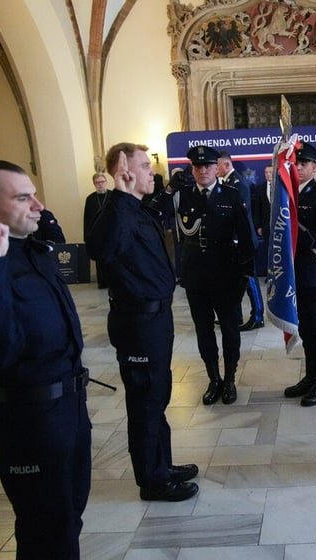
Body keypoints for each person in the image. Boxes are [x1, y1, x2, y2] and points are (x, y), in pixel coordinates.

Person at [0, 160, 91, 559]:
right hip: (31, 422)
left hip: (70, 410)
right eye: (24, 197)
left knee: (67, 518)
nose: (39, 205)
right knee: (45, 530)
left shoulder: (33, 254)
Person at [85, 143, 198, 502]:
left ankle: (161, 464)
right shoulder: (115, 211)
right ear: (124, 171)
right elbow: (101, 249)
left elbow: (159, 210)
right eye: (145, 167)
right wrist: (118, 192)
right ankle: (152, 481)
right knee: (145, 402)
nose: (153, 171)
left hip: (156, 320)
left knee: (158, 395)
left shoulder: (138, 209)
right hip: (137, 323)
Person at [178, 145, 255, 405]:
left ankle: (230, 378)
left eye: (207, 166)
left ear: (216, 167)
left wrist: (246, 274)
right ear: (192, 169)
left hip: (226, 275)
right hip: (195, 276)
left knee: (230, 330)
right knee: (204, 331)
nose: (202, 170)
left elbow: (246, 238)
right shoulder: (182, 197)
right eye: (197, 166)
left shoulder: (231, 195)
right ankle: (214, 379)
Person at [283, 141, 316, 407]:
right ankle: (310, 376)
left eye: (303, 163)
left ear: (314, 167)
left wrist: (295, 239)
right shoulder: (288, 194)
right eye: (295, 163)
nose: (299, 167)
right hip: (296, 274)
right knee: (305, 327)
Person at [218, 150, 264, 331]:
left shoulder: (238, 183)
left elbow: (241, 217)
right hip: (232, 242)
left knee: (249, 279)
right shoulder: (227, 182)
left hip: (243, 241)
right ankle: (235, 317)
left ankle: (258, 316)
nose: (214, 169)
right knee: (232, 281)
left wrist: (237, 240)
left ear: (226, 165)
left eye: (217, 165)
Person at [83, 172, 109, 288]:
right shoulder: (90, 199)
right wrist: (87, 236)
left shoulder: (113, 196)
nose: (100, 185)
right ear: (94, 184)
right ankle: (102, 282)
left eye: (102, 182)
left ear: (106, 182)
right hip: (96, 235)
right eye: (97, 183)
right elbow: (86, 219)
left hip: (111, 233)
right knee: (100, 260)